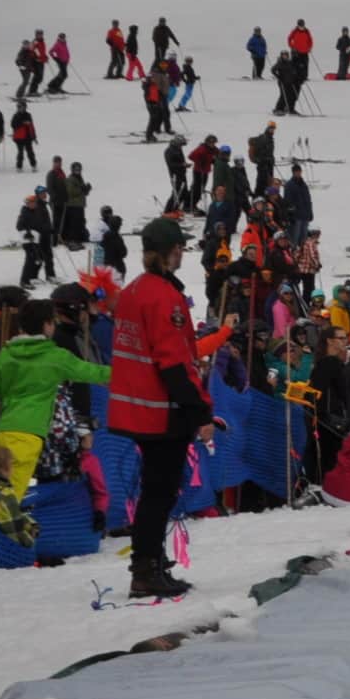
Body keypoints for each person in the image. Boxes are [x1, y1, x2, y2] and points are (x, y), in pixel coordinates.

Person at [108, 217, 212, 598]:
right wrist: (199, 410)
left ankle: (149, 559)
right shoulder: (164, 297)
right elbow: (173, 362)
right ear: (168, 251)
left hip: (137, 407)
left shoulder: (132, 292)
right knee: (160, 492)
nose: (182, 252)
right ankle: (146, 569)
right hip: (160, 409)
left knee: (154, 490)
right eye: (179, 247)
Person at [0, 299, 109, 499]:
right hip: (28, 436)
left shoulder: (6, 354)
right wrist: (131, 370)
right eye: (53, 322)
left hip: (3, 431)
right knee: (9, 500)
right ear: (47, 325)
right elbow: (94, 373)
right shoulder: (55, 357)